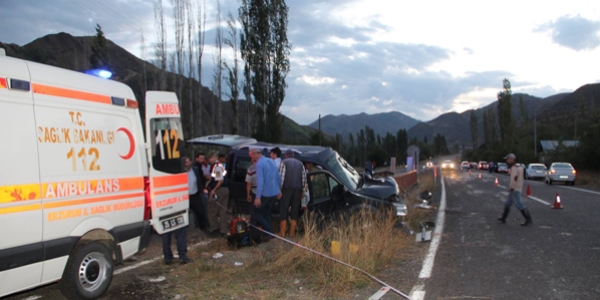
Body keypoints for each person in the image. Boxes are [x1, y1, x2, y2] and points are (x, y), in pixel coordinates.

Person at [162, 157, 193, 265]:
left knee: (166, 232)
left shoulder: (160, 174)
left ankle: (167, 257)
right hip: (177, 205)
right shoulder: (180, 174)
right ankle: (182, 256)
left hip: (164, 207)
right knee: (181, 232)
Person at [250, 148, 282, 237]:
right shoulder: (271, 161)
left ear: (257, 154)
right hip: (274, 192)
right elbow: (278, 177)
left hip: (265, 193)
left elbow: (260, 182)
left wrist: (257, 197)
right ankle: (267, 234)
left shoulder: (259, 164)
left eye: (252, 155)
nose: (252, 157)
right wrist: (279, 190)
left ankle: (269, 231)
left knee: (256, 213)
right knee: (267, 213)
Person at [498, 153, 533, 226]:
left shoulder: (514, 168)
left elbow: (514, 179)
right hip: (517, 188)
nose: (506, 161)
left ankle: (528, 219)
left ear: (511, 159)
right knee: (508, 203)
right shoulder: (519, 167)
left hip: (515, 189)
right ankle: (503, 218)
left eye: (507, 159)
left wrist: (512, 188)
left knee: (519, 204)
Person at [278, 149, 307, 237]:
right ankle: (291, 233)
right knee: (295, 211)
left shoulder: (284, 162)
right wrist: (302, 190)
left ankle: (282, 233)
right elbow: (304, 179)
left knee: (284, 209)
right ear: (293, 155)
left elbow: (281, 178)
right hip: (297, 190)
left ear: (286, 155)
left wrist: (279, 190)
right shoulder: (300, 164)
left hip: (286, 189)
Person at [206, 151, 230, 238]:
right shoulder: (220, 165)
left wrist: (213, 190)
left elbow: (220, 180)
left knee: (213, 210)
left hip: (219, 190)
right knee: (223, 211)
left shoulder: (217, 167)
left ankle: (215, 228)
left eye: (211, 158)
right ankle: (223, 230)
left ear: (214, 157)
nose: (210, 160)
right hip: (225, 190)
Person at [192, 153, 210, 231]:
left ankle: (198, 223)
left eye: (203, 158)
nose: (202, 160)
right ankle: (203, 223)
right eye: (201, 158)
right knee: (202, 207)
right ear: (197, 159)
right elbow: (199, 179)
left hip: (200, 189)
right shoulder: (196, 167)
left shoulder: (199, 167)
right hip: (200, 190)